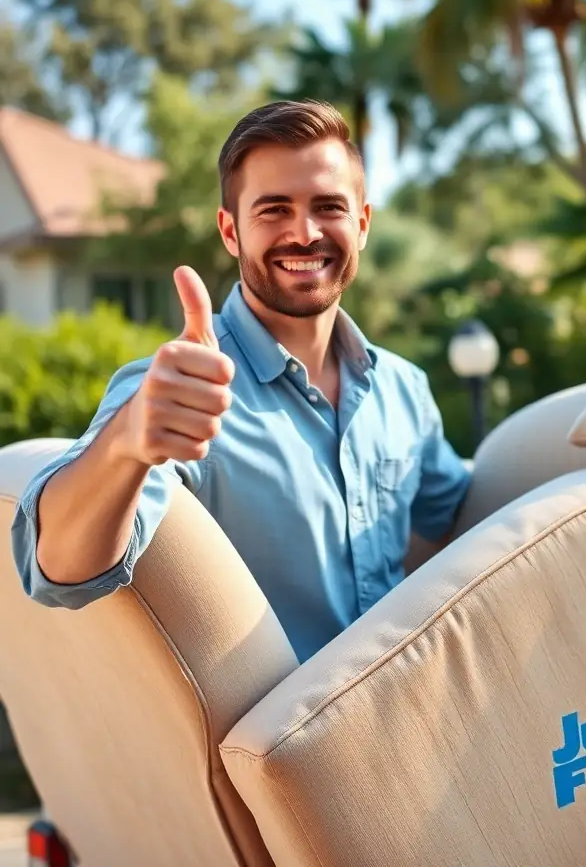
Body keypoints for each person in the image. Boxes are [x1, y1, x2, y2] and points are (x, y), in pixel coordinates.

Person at [11, 100, 471, 664]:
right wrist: (126, 442)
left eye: (328, 207)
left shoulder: (406, 389)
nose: (304, 234)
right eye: (273, 210)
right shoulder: (175, 391)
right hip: (278, 747)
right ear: (230, 231)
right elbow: (56, 572)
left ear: (363, 224)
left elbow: (453, 517)